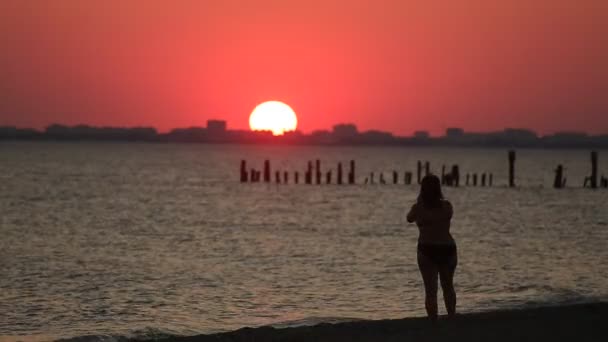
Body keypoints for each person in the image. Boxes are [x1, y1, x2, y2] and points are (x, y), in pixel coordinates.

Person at [407, 174, 457, 321]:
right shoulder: (447, 206)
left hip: (427, 249)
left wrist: (419, 203)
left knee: (430, 290)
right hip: (447, 247)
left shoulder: (418, 208)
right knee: (448, 286)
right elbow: (447, 216)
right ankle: (452, 317)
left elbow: (409, 218)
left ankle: (433, 321)